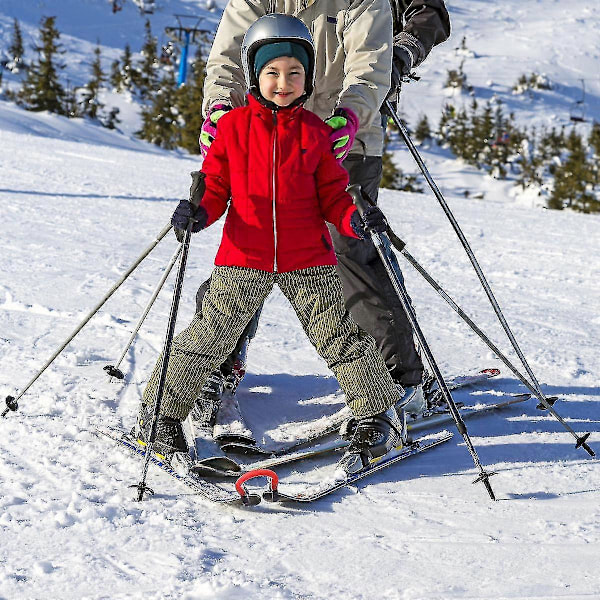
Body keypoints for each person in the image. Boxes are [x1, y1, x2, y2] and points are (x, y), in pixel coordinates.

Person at [135, 15, 407, 475]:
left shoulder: (317, 134)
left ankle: (376, 411)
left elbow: (333, 195)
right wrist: (199, 211)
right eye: (273, 73)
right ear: (253, 75)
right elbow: (217, 186)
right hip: (243, 256)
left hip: (309, 259)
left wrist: (354, 217)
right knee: (206, 340)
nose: (284, 83)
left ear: (309, 78)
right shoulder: (233, 130)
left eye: (295, 73)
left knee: (341, 338)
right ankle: (160, 414)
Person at [194, 0, 451, 422]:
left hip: (342, 138)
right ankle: (213, 368)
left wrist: (349, 117)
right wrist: (220, 109)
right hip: (264, 139)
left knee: (351, 252)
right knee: (248, 252)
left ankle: (397, 380)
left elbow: (370, 65)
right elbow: (228, 59)